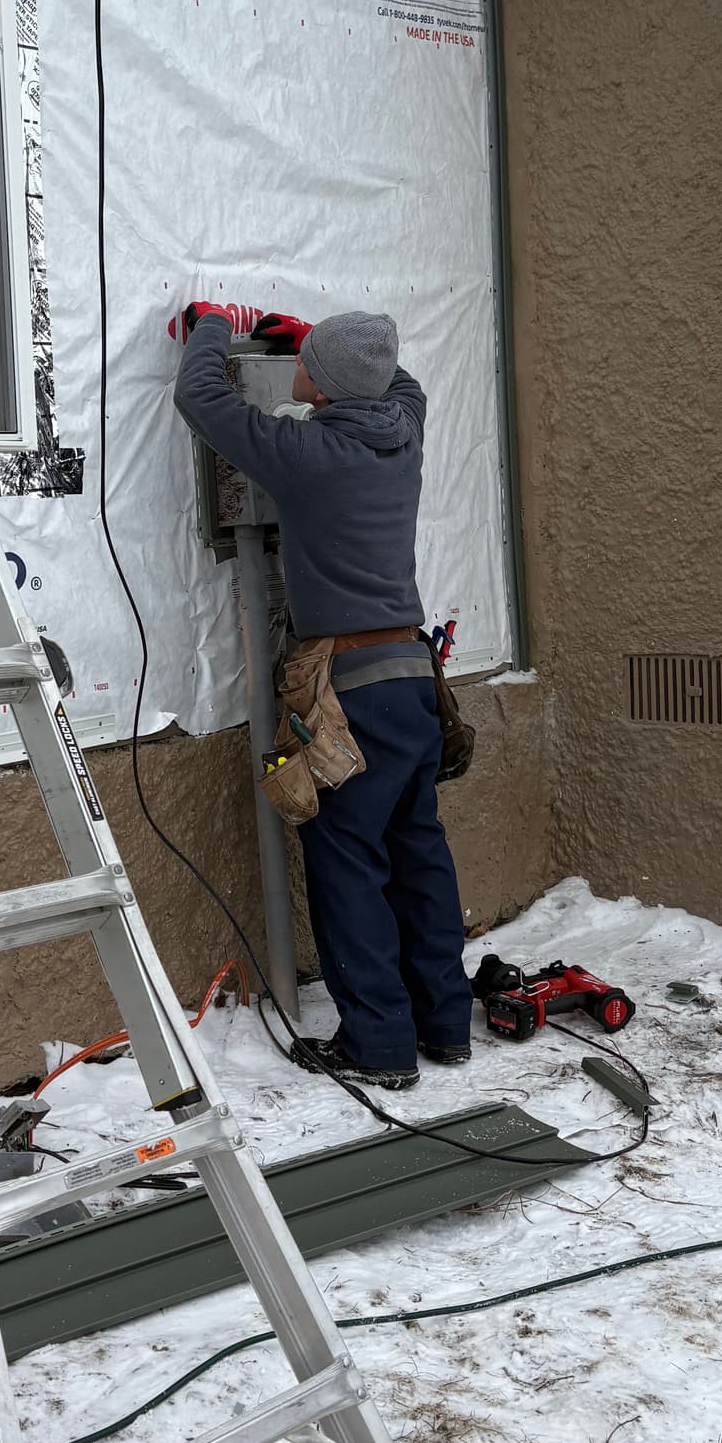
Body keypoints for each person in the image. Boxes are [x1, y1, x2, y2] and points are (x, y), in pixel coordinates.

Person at [173, 300, 472, 1090]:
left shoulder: (306, 452)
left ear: (329, 386)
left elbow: (203, 401)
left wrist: (208, 328)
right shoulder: (401, 432)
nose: (297, 363)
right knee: (417, 851)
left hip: (346, 692)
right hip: (413, 679)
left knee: (347, 863)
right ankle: (445, 1022)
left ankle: (378, 1044)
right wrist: (307, 335)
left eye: (308, 358)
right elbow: (400, 380)